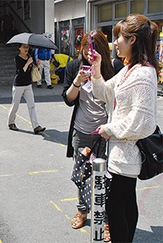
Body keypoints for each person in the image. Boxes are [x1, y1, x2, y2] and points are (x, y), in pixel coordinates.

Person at [91, 14, 159, 242]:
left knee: (114, 206)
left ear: (132, 40)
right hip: (120, 153)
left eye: (118, 37)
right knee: (127, 202)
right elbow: (102, 93)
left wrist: (110, 129)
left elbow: (143, 121)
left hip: (129, 155)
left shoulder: (143, 73)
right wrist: (97, 68)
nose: (115, 42)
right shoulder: (128, 69)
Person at [62, 30, 124, 241]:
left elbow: (120, 98)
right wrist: (78, 81)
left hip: (106, 134)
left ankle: (105, 218)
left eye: (95, 49)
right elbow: (69, 100)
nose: (90, 53)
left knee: (106, 178)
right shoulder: (73, 66)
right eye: (87, 49)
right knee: (82, 174)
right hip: (82, 131)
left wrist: (99, 75)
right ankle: (83, 210)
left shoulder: (114, 67)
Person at [8, 44, 46, 134]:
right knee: (15, 105)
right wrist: (28, 62)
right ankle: (11, 122)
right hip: (18, 85)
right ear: (19, 48)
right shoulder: (17, 58)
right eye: (24, 47)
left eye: (27, 47)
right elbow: (20, 72)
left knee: (31, 105)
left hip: (28, 84)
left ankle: (36, 126)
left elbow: (31, 70)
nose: (26, 49)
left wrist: (37, 65)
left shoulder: (30, 56)